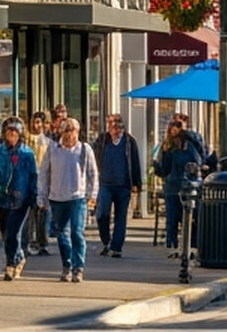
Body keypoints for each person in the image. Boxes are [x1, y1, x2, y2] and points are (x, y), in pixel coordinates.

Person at [42, 118, 99, 282]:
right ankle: (66, 265)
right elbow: (44, 173)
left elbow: (92, 174)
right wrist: (42, 196)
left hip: (78, 197)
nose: (69, 133)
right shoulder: (53, 149)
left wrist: (93, 195)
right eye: (66, 130)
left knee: (77, 233)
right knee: (62, 234)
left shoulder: (84, 149)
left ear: (78, 131)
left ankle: (78, 267)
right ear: (61, 131)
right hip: (57, 197)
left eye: (72, 130)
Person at [0, 118, 39, 280]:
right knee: (5, 233)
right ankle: (18, 257)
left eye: (15, 132)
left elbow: (33, 176)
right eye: (9, 132)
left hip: (21, 199)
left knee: (13, 233)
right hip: (2, 197)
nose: (12, 135)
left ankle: (10, 264)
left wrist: (33, 197)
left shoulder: (27, 153)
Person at [152, 115, 208, 255]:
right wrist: (157, 168)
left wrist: (186, 133)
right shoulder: (168, 146)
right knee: (172, 219)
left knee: (193, 218)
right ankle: (172, 246)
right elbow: (165, 169)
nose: (175, 128)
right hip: (173, 186)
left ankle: (192, 247)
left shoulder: (193, 142)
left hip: (191, 186)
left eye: (178, 124)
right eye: (173, 124)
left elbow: (202, 156)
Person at [95, 113, 143, 259]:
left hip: (123, 185)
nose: (114, 127)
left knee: (120, 217)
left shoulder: (129, 142)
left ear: (122, 126)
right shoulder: (102, 140)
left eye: (117, 124)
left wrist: (136, 183)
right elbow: (94, 158)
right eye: (111, 124)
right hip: (105, 184)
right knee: (102, 214)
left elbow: (135, 163)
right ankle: (106, 241)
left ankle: (116, 247)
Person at [25, 112, 52, 255]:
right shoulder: (26, 141)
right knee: (29, 215)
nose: (36, 125)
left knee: (42, 214)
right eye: (34, 122)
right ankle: (28, 241)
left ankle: (43, 243)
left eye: (39, 122)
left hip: (43, 182)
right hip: (29, 182)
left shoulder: (48, 143)